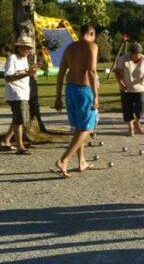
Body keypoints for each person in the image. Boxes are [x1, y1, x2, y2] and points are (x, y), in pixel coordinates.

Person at [53, 25, 98, 177]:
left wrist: (58, 96)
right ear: (91, 34)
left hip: (70, 89)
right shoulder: (92, 46)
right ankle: (64, 159)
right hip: (84, 91)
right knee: (86, 128)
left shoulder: (70, 48)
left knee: (79, 127)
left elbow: (60, 73)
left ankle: (82, 162)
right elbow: (91, 71)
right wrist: (96, 96)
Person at [0, 36, 38, 154]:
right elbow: (8, 77)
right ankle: (20, 146)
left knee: (17, 118)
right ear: (19, 47)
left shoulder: (25, 59)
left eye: (29, 48)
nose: (27, 50)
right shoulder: (12, 58)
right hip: (15, 93)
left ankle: (6, 140)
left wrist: (31, 71)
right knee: (19, 119)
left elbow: (23, 73)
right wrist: (27, 74)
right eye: (25, 47)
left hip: (23, 93)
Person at [114, 42, 144, 136]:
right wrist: (121, 83)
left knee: (140, 107)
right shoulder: (123, 59)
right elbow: (117, 72)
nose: (137, 57)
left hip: (140, 88)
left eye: (139, 54)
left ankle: (137, 122)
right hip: (126, 88)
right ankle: (130, 127)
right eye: (135, 55)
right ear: (130, 54)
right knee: (127, 108)